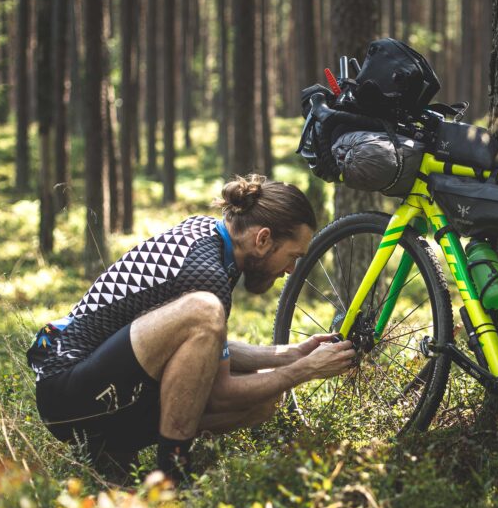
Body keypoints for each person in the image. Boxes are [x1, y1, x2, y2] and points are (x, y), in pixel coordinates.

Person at [26, 174, 356, 483]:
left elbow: (204, 348)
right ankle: (173, 478)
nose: (290, 269)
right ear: (263, 239)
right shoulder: (207, 278)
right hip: (67, 394)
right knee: (206, 312)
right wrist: (304, 370)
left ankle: (113, 452)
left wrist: (289, 355)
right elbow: (220, 392)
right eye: (292, 256)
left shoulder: (211, 239)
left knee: (264, 400)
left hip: (98, 385)